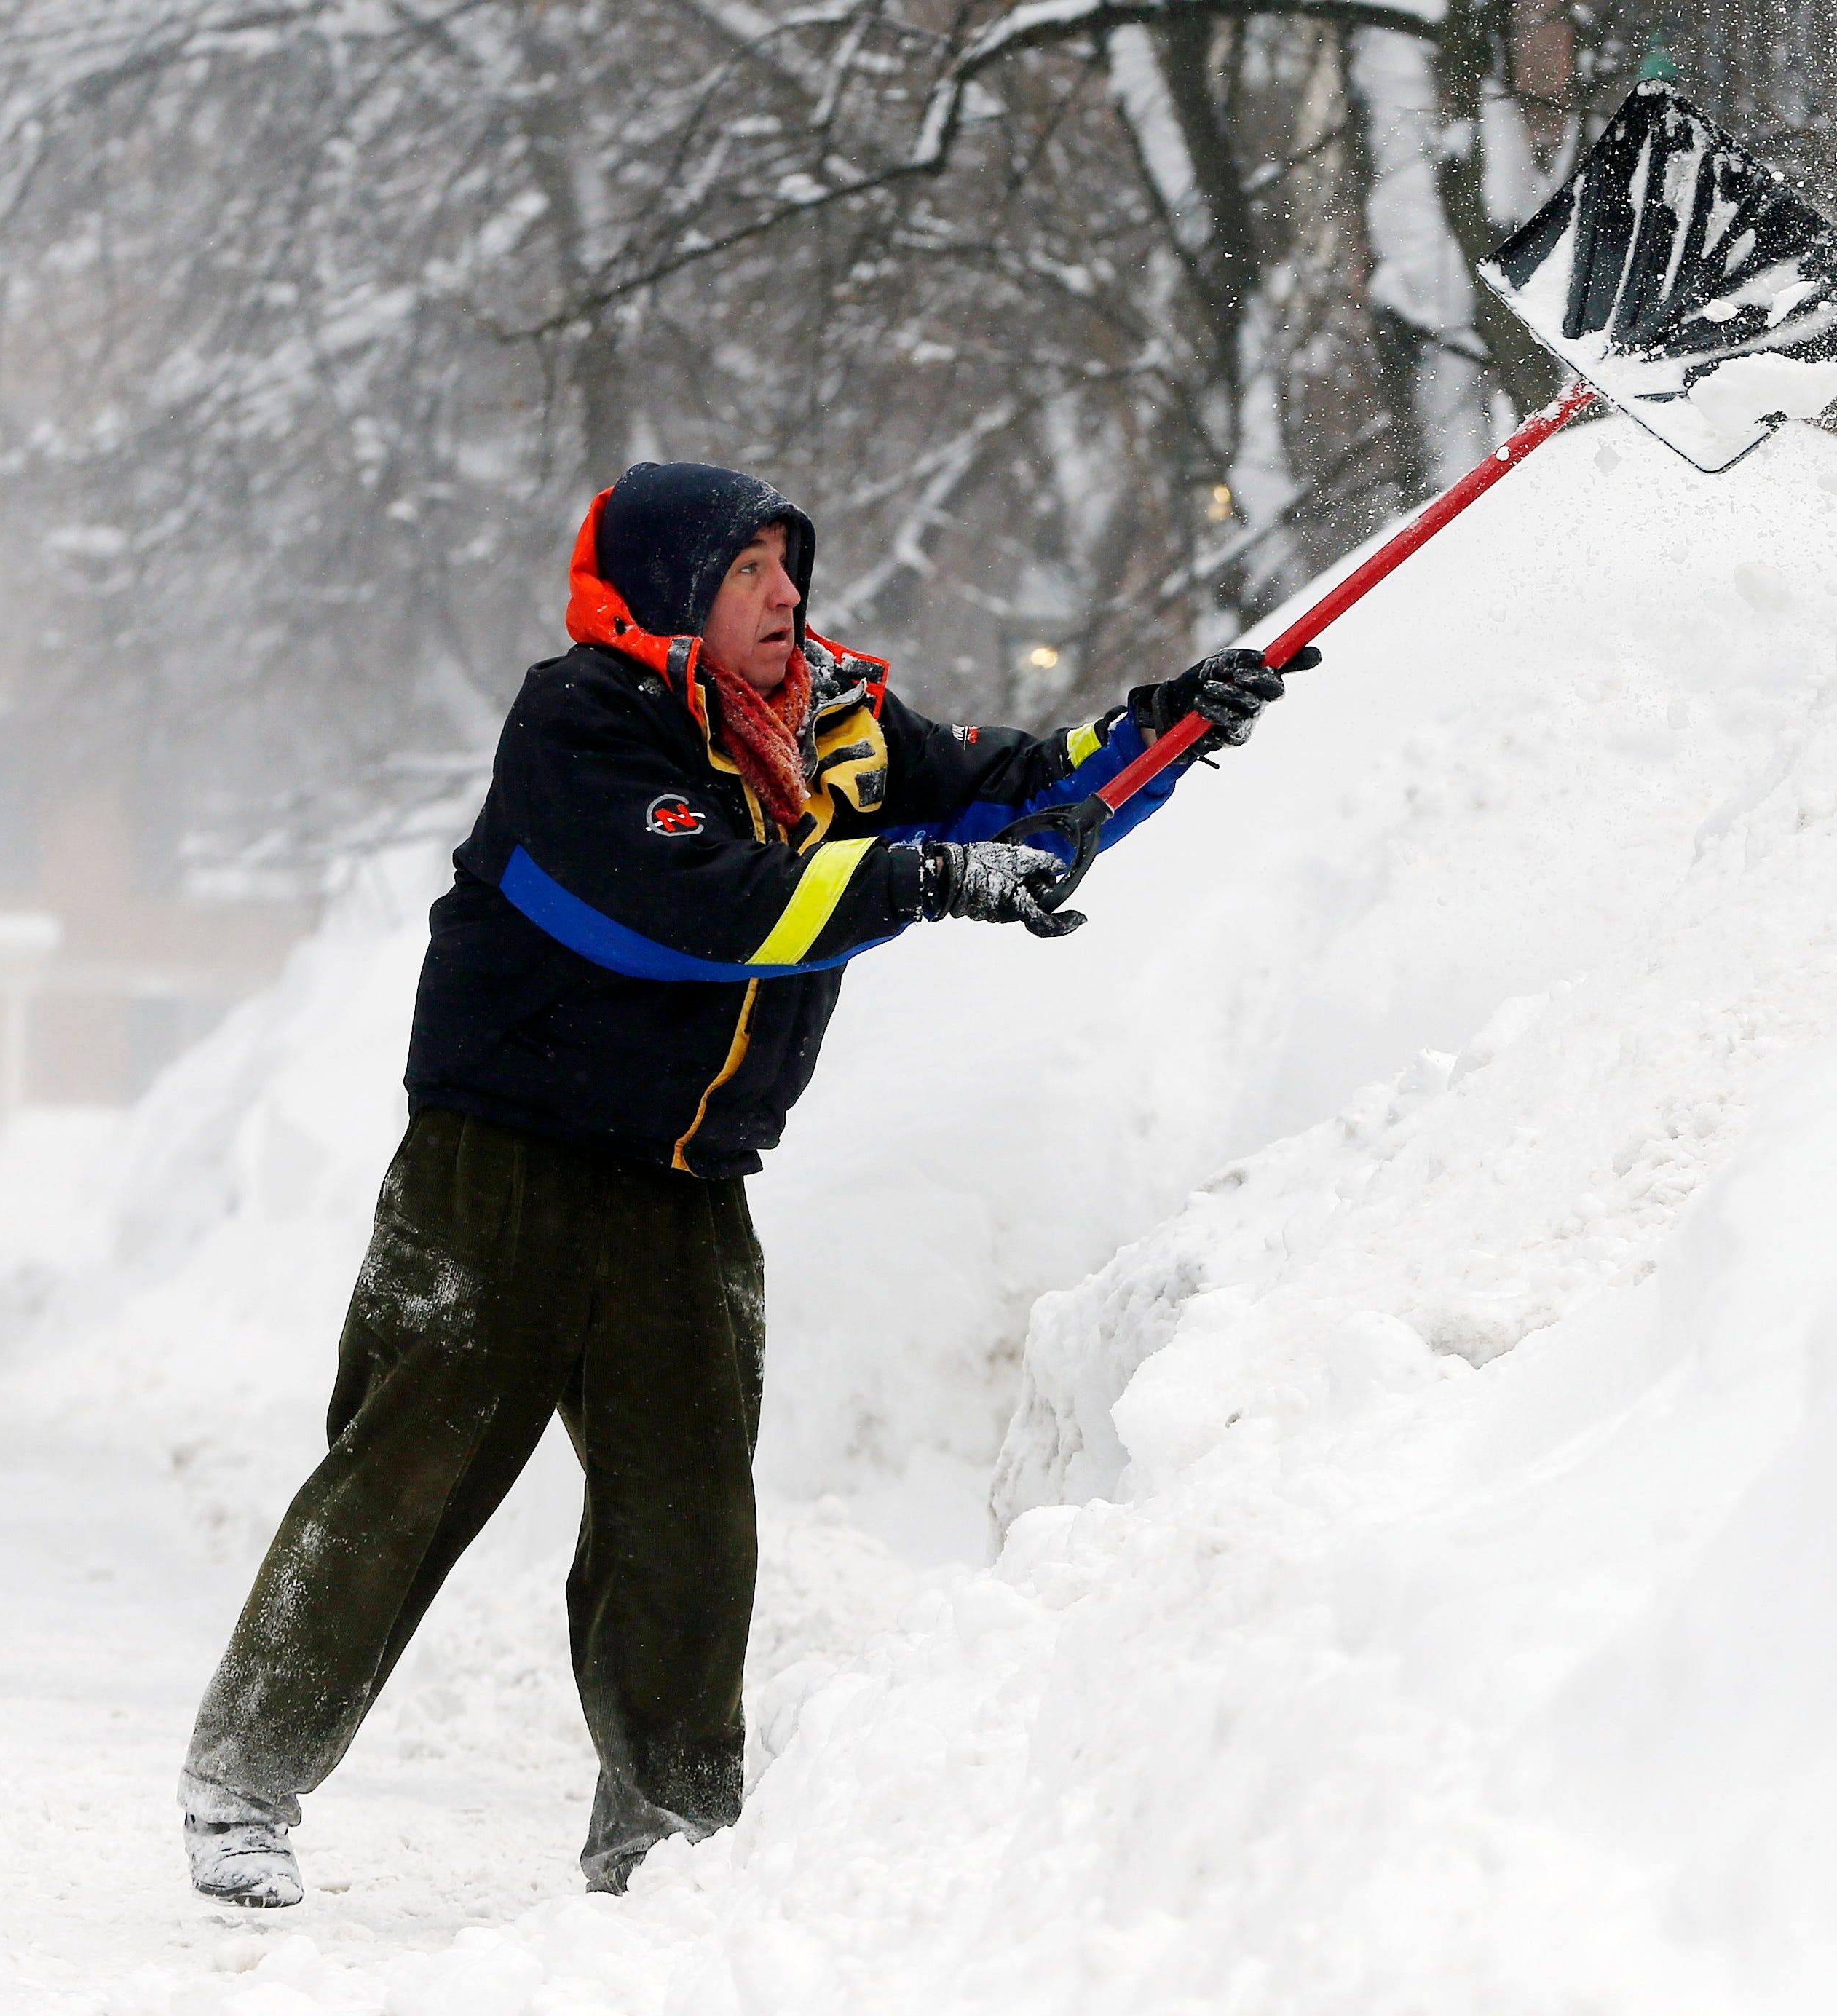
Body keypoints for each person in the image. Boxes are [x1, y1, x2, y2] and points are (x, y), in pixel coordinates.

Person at [175, 462, 1302, 1906]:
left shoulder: (835, 728)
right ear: (671, 592)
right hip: (498, 1161)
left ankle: (666, 1838)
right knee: (407, 1475)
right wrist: (922, 877)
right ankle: (243, 1782)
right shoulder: (584, 722)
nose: (785, 595)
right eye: (748, 569)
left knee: (688, 1518)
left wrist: (1170, 725)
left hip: (684, 1182)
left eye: (790, 565)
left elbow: (1024, 798)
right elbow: (703, 914)